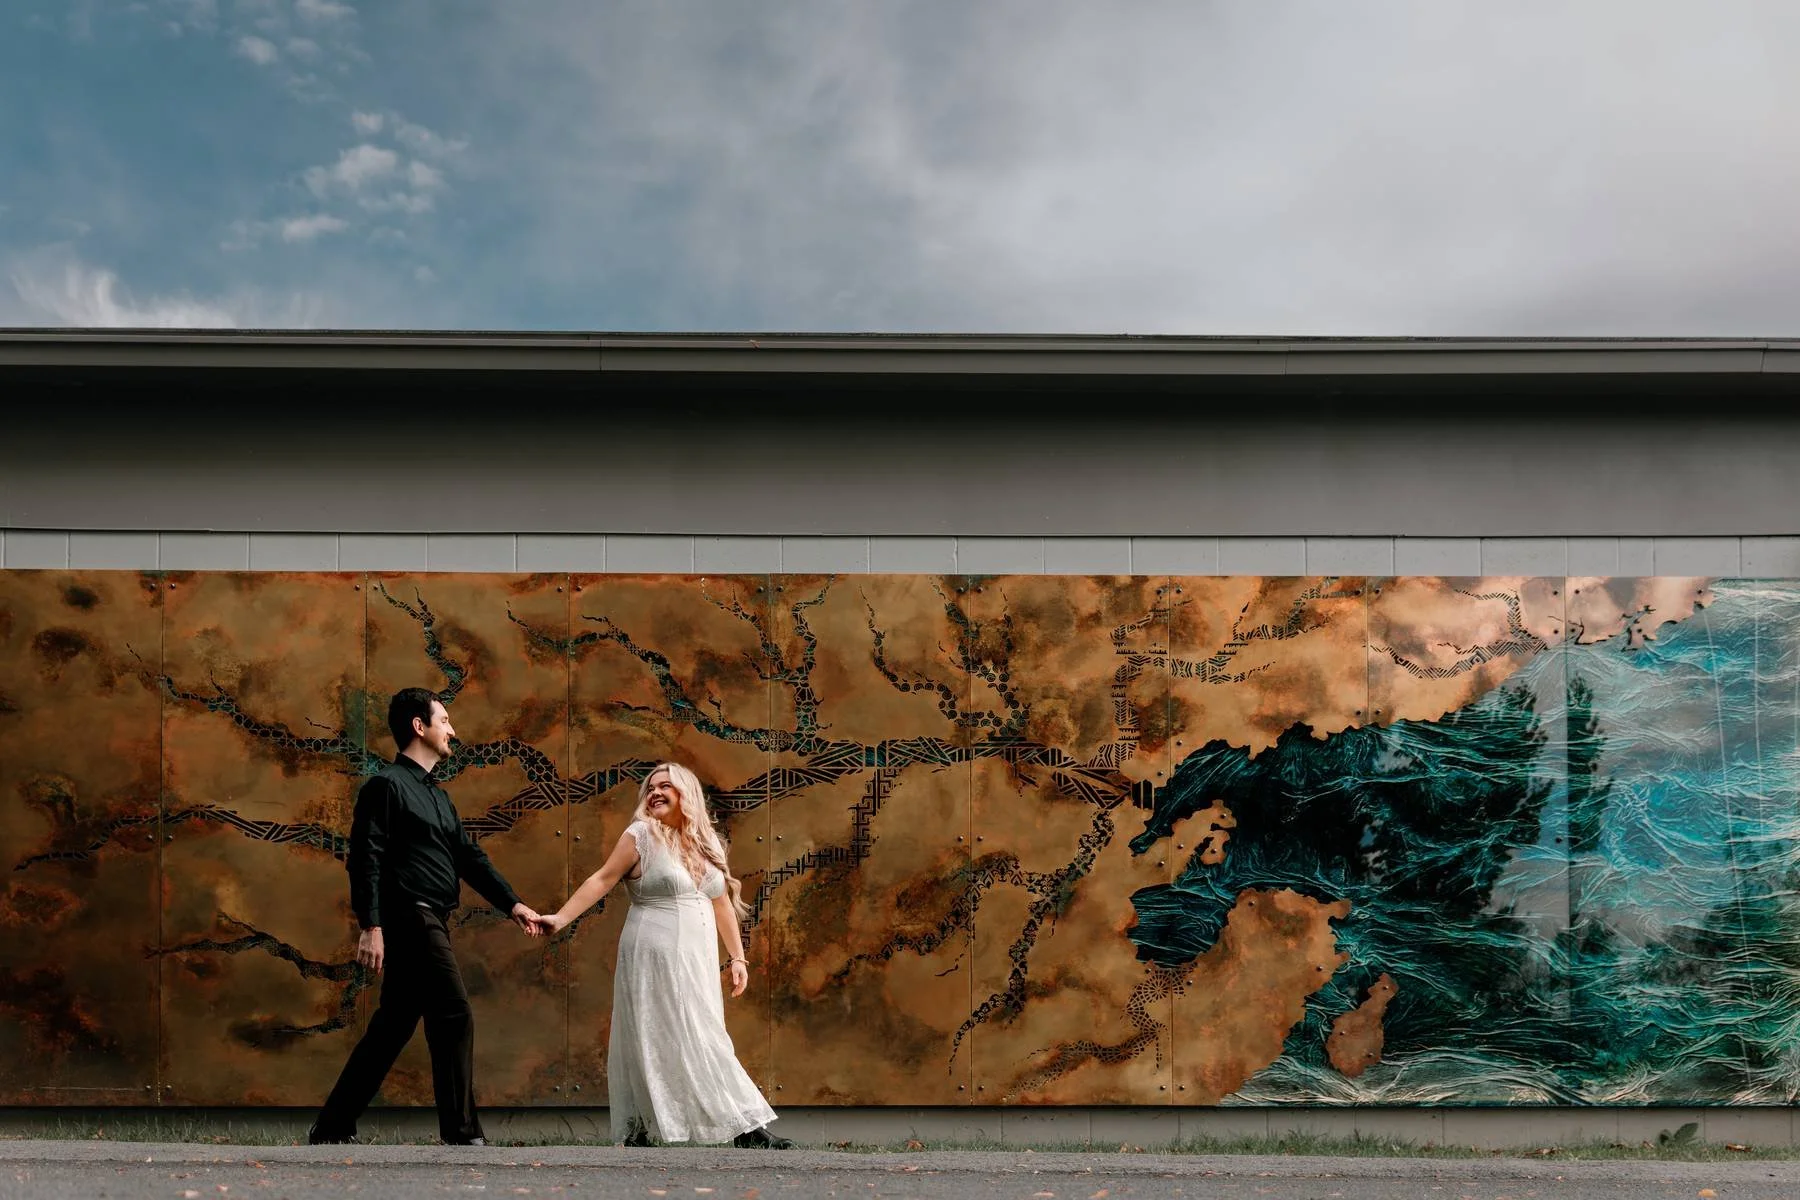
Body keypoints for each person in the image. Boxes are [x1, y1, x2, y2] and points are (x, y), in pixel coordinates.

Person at [308, 687, 544, 1147]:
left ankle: (334, 1124)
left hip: (433, 917)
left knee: (393, 1024)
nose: (452, 730)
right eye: (445, 720)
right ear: (420, 727)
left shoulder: (439, 798)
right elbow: (365, 859)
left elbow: (469, 857)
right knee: (454, 1015)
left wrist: (513, 904)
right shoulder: (385, 786)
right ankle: (462, 1134)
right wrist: (371, 926)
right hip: (409, 917)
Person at [534, 763, 791, 1149]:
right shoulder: (640, 835)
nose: (654, 793)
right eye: (650, 788)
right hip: (653, 950)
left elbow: (721, 903)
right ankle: (742, 1128)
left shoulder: (707, 844)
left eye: (665, 786)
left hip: (696, 957)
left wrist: (738, 959)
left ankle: (659, 1129)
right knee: (660, 1033)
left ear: (685, 793)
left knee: (701, 1033)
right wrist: (560, 918)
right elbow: (602, 879)